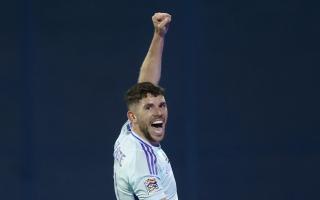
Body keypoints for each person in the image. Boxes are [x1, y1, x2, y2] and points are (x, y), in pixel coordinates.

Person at [113, 12, 178, 200]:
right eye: (149, 108)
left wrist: (159, 35)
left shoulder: (129, 132)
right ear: (132, 116)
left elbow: (147, 83)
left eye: (162, 105)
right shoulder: (141, 163)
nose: (159, 112)